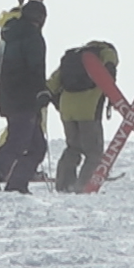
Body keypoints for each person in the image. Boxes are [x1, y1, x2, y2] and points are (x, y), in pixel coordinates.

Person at [0, 0, 50, 193]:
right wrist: (41, 92)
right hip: (26, 99)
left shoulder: (10, 36)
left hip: (9, 97)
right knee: (19, 142)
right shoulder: (32, 36)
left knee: (35, 145)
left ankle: (16, 184)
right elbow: (35, 68)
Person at [45, 41, 118, 193]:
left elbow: (52, 83)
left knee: (73, 147)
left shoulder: (73, 57)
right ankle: (85, 187)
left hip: (67, 108)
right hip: (88, 108)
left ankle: (64, 185)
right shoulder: (106, 52)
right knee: (94, 152)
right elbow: (109, 74)